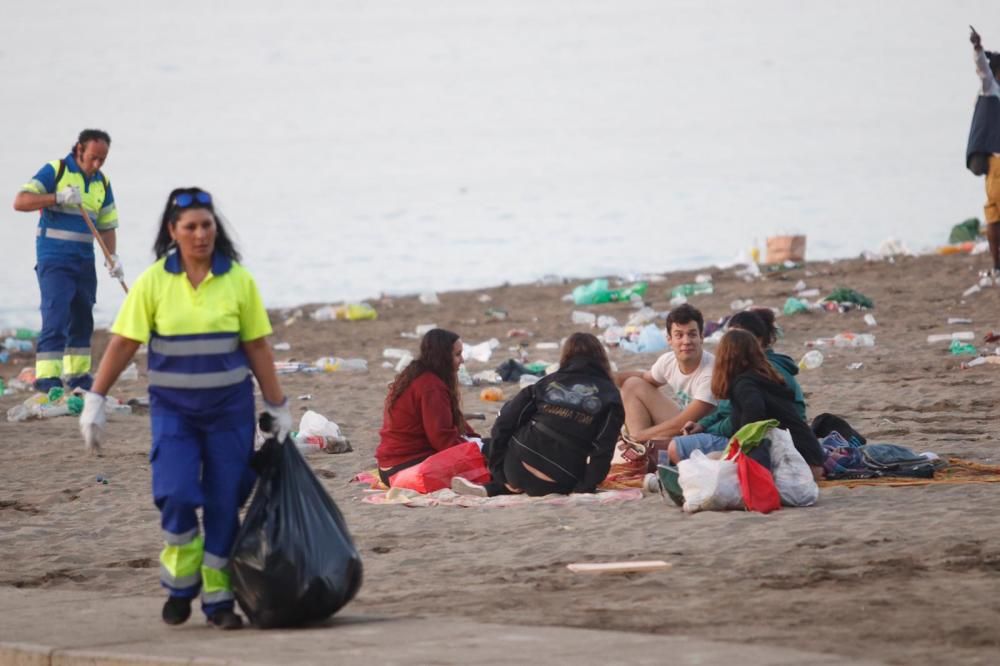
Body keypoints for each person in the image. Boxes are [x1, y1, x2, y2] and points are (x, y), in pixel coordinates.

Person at [78, 187, 290, 631]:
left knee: (223, 502)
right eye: (190, 227)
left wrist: (278, 407)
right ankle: (180, 584)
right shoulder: (154, 281)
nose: (199, 234)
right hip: (175, 414)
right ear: (173, 232)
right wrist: (95, 399)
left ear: (216, 228)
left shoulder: (237, 280)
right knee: (174, 496)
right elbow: (123, 342)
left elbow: (257, 346)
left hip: (229, 413)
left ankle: (218, 603)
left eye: (206, 225)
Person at [12, 129, 124, 393]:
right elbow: (20, 201)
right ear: (79, 150)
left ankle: (78, 376)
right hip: (54, 259)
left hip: (84, 260)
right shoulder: (57, 170)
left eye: (102, 159)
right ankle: (48, 379)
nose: (96, 164)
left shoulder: (102, 184)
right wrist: (58, 197)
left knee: (83, 318)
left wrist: (113, 257)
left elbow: (107, 226)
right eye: (93, 157)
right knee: (56, 315)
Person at [452, 332, 624, 497]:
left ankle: (495, 486)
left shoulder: (545, 384)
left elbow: (504, 423)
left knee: (498, 436)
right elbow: (603, 450)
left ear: (566, 356)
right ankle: (494, 487)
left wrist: (499, 471)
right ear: (601, 358)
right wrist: (584, 487)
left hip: (517, 468)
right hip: (562, 479)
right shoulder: (611, 396)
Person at [666, 308, 806, 464]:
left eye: (737, 339)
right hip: (767, 438)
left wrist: (707, 429)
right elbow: (728, 411)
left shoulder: (757, 376)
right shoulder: (748, 370)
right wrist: (702, 425)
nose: (731, 345)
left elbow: (743, 423)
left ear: (756, 341)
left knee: (676, 448)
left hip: (781, 443)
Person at [707, 329, 824, 477]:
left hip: (796, 466)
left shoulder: (745, 384)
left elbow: (754, 414)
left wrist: (742, 446)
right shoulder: (765, 378)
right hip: (812, 459)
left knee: (710, 460)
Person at [613, 304, 718, 467]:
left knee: (659, 441)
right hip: (683, 425)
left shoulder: (711, 372)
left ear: (701, 337)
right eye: (679, 335)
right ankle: (641, 449)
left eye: (692, 334)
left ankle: (639, 447)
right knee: (632, 384)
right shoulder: (668, 361)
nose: (686, 341)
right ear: (669, 340)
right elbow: (644, 377)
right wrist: (607, 377)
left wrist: (638, 437)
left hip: (705, 432)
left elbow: (682, 422)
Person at [375, 328, 480, 486]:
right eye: (457, 355)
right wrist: (476, 450)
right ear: (443, 356)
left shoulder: (418, 374)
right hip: (403, 468)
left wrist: (475, 439)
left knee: (487, 447)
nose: (462, 360)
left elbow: (450, 421)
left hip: (389, 466)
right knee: (488, 458)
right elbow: (442, 439)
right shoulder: (431, 386)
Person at [968, 27, 1000, 274]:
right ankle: (998, 266)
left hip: (995, 165)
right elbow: (983, 70)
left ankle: (998, 266)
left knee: (994, 215)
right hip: (997, 163)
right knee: (994, 217)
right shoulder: (991, 88)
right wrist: (978, 49)